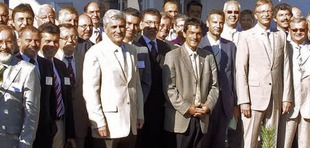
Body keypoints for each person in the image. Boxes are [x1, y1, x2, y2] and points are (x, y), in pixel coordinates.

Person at [83, 9, 144, 148]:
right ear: (105, 28)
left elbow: (136, 85)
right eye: (114, 27)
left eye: (121, 26)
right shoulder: (95, 53)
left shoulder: (131, 50)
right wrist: (98, 122)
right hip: (108, 124)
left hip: (130, 121)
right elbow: (90, 91)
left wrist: (139, 114)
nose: (118, 30)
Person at [235, 0, 289, 147]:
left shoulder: (281, 36)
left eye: (269, 11)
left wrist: (286, 98)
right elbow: (241, 70)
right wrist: (244, 100)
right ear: (256, 15)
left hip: (275, 97)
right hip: (254, 97)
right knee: (251, 140)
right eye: (262, 11)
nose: (266, 14)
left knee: (271, 140)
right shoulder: (245, 36)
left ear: (272, 14)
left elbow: (286, 69)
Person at [163, 17, 218, 148]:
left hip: (202, 118)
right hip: (181, 118)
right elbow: (169, 88)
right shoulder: (172, 56)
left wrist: (208, 106)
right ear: (184, 33)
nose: (195, 36)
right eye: (191, 33)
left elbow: (214, 86)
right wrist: (188, 108)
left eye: (198, 33)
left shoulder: (208, 56)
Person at [280, 17, 310, 148]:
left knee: (305, 144)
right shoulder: (284, 49)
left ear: (306, 30)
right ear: (289, 30)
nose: (298, 32)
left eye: (302, 29)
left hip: (309, 104)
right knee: (284, 143)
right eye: (294, 29)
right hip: (287, 106)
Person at [198, 10, 239, 148]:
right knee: (204, 140)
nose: (218, 25)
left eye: (221, 22)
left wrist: (235, 102)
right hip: (206, 100)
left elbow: (233, 74)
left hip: (224, 102)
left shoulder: (230, 46)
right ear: (208, 23)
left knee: (220, 141)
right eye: (214, 22)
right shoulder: (200, 44)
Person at [134, 8, 172, 148]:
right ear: (142, 24)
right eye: (148, 22)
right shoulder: (135, 46)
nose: (152, 27)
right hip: (141, 106)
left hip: (160, 108)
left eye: (156, 23)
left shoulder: (166, 48)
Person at [13, 26, 54, 148]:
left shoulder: (47, 64)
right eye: (28, 40)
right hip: (21, 128)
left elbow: (51, 97)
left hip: (44, 129)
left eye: (36, 40)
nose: (33, 44)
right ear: (19, 41)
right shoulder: (13, 64)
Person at [56, 24, 90, 148]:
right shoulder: (51, 62)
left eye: (74, 37)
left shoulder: (85, 60)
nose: (70, 40)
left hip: (80, 120)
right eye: (65, 37)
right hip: (59, 122)